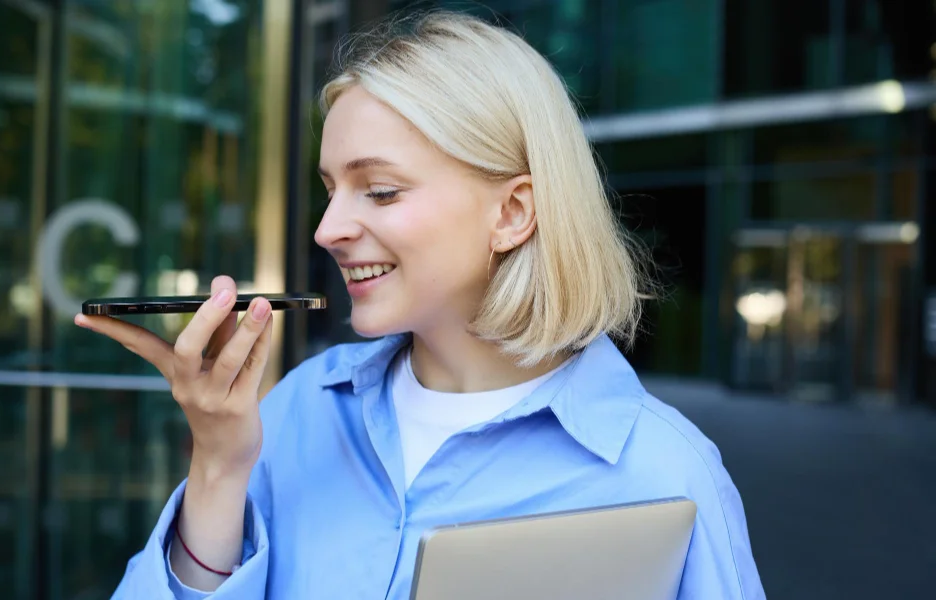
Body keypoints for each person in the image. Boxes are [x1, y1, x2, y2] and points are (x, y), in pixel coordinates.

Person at [79, 11, 765, 600]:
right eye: (330, 189)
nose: (327, 229)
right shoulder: (300, 409)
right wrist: (219, 467)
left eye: (378, 191)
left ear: (513, 212)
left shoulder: (664, 470)